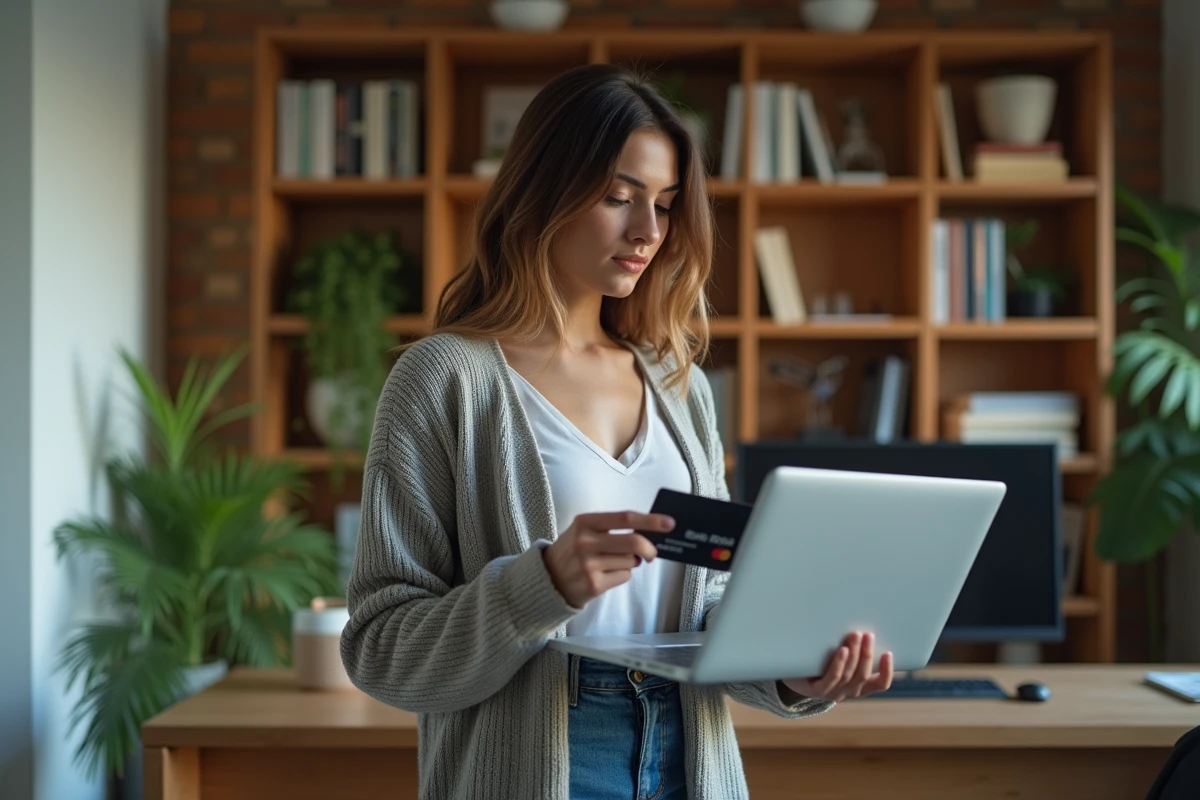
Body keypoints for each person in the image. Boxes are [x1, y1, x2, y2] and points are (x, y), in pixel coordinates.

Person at [339, 63, 894, 800]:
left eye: (664, 205)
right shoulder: (444, 379)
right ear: (543, 191)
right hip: (545, 761)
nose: (648, 232)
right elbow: (380, 651)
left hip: (690, 760)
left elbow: (708, 614)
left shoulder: (679, 385)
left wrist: (794, 670)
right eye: (618, 197)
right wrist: (536, 588)